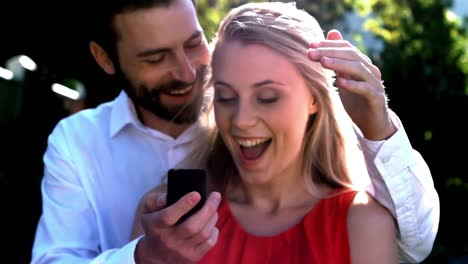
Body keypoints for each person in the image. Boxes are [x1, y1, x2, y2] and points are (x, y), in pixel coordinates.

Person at [30, 0, 438, 263]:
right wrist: (143, 258)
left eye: (193, 44)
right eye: (156, 57)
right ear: (105, 59)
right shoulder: (142, 198)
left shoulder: (360, 218)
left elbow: (417, 242)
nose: (188, 73)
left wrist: (377, 126)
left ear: (315, 99)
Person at [189, 2, 398, 262]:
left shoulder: (364, 225)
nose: (241, 121)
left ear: (314, 99)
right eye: (226, 96)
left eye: (267, 97)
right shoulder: (177, 217)